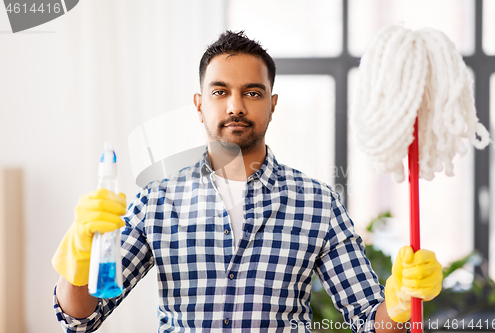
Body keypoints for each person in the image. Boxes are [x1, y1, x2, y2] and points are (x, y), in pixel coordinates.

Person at [51, 30, 443, 332]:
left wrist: (399, 302)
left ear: (272, 104)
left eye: (252, 92)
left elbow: (370, 320)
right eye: (220, 91)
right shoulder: (158, 199)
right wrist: (79, 261)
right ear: (200, 104)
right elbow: (82, 319)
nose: (236, 105)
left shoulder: (317, 203)